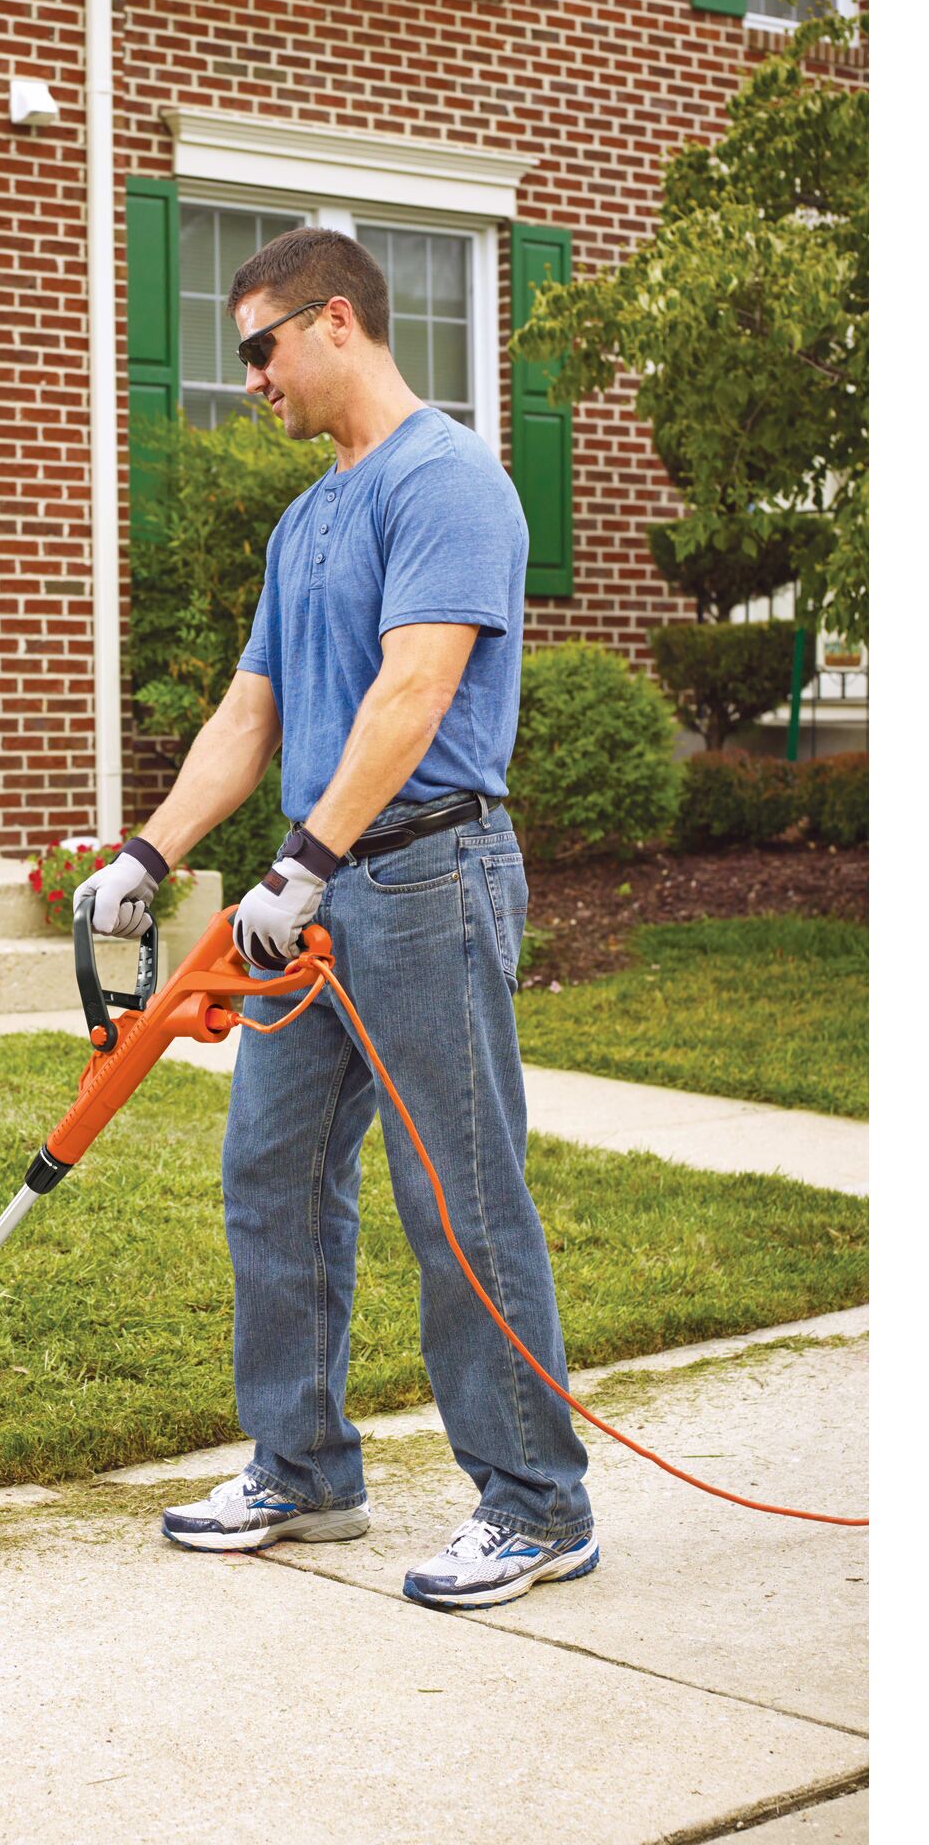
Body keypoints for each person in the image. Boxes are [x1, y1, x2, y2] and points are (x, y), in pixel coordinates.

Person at [73, 227, 596, 1613]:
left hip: (426, 878)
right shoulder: (310, 518)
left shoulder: (451, 481)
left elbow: (413, 694)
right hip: (315, 902)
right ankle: (303, 1469)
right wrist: (149, 849)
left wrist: (303, 858)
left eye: (259, 346)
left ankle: (537, 1504)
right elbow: (257, 710)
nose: (248, 376)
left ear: (339, 323)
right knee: (274, 1174)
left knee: (459, 1198)